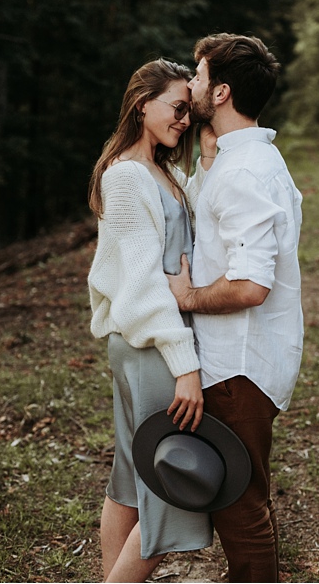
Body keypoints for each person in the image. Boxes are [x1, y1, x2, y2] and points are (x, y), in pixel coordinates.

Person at [166, 33, 304, 583]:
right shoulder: (243, 160)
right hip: (240, 360)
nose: (189, 85)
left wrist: (189, 297)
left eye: (197, 78)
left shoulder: (245, 172)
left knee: (239, 505)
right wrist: (204, 157)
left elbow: (250, 285)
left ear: (221, 92)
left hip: (239, 365)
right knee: (239, 496)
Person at [87, 59, 212, 582]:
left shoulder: (164, 172)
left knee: (133, 478)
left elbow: (196, 228)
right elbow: (142, 285)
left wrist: (204, 155)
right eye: (177, 109)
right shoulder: (125, 177)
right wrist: (184, 365)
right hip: (150, 346)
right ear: (143, 105)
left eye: (191, 111)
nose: (184, 120)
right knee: (174, 489)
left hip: (142, 344)